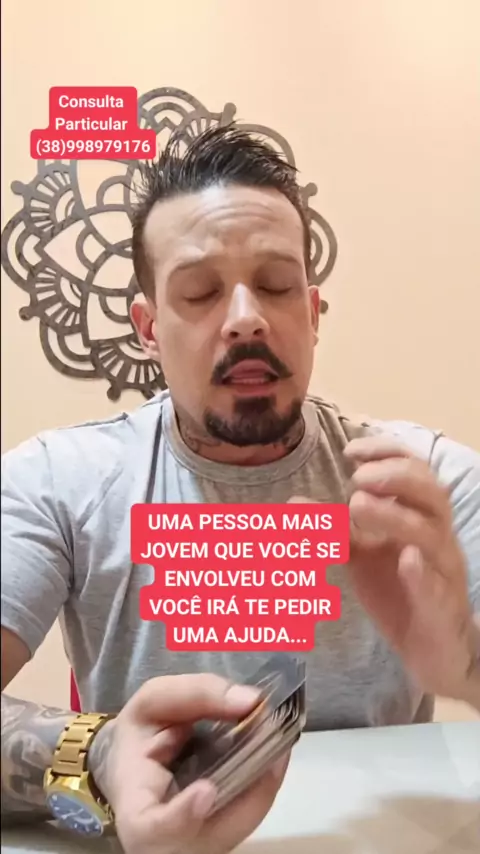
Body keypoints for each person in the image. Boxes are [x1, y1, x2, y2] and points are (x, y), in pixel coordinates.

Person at [2, 124, 479, 854]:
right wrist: (97, 757)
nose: (247, 318)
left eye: (278, 286)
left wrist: (469, 665)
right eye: (199, 292)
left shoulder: (422, 484)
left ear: (312, 315)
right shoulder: (57, 483)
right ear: (148, 328)